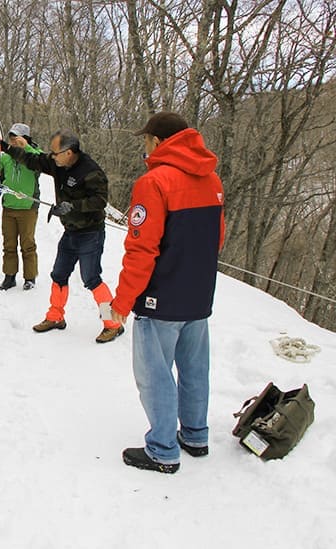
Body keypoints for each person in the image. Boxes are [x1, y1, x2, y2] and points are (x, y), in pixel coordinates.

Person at [110, 112, 225, 474]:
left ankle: (162, 448)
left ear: (158, 142)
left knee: (155, 373)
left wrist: (122, 303)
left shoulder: (154, 182)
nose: (144, 146)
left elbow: (142, 250)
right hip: (199, 293)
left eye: (146, 140)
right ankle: (194, 434)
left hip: (161, 297)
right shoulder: (211, 178)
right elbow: (217, 238)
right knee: (194, 369)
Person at [0, 130, 124, 343]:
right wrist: (7, 148)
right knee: (58, 274)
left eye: (55, 153)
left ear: (69, 152)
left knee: (91, 278)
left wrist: (71, 206)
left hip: (90, 233)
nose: (52, 156)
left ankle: (112, 323)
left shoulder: (90, 171)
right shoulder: (58, 164)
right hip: (70, 232)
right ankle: (56, 317)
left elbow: (100, 201)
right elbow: (33, 160)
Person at [0, 123, 42, 291]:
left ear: (25, 138)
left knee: (27, 244)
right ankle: (9, 277)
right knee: (9, 245)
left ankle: (30, 278)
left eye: (17, 138)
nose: (14, 141)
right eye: (12, 138)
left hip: (28, 208)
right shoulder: (5, 157)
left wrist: (27, 148)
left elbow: (42, 163)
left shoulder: (34, 155)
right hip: (9, 208)